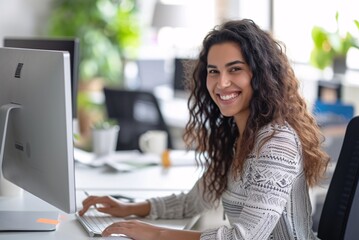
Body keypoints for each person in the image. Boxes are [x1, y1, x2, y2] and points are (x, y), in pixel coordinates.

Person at [79, 19, 329, 239]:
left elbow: (243, 238)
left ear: (261, 74)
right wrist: (127, 208)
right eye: (213, 71)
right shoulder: (238, 137)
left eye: (235, 69)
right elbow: (191, 202)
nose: (222, 83)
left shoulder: (276, 143)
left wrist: (155, 234)